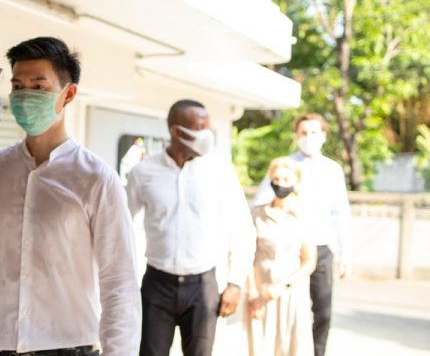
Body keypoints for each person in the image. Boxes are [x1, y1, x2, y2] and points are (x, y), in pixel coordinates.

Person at [0, 37, 141, 356]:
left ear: (68, 94)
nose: (24, 96)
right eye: (18, 86)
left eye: (39, 87)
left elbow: (119, 283)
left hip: (69, 349)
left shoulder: (96, 179)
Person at [126, 99, 256, 356]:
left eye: (208, 127)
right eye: (199, 127)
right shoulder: (143, 172)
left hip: (203, 286)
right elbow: (120, 226)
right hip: (156, 284)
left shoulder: (220, 172)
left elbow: (243, 228)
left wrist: (235, 282)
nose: (206, 135)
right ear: (177, 131)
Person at [252, 113, 352, 356]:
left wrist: (346, 254)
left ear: (324, 136)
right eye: (303, 133)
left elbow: (341, 213)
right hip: (287, 253)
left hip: (320, 249)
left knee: (323, 312)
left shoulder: (332, 170)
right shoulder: (285, 166)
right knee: (287, 311)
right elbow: (262, 202)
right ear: (297, 136)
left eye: (314, 133)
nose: (309, 138)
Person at [245, 157, 317, 356]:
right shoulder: (257, 214)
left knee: (291, 348)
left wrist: (283, 285)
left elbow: (309, 261)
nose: (281, 184)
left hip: (291, 293)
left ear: (295, 181)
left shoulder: (304, 215)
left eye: (286, 179)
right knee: (260, 347)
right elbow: (248, 254)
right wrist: (252, 293)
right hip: (261, 294)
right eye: (276, 179)